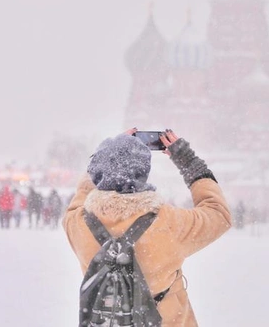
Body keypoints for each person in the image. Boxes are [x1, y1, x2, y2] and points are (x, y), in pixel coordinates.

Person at [62, 129, 232, 326]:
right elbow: (218, 215)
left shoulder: (78, 223)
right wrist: (189, 163)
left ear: (99, 170)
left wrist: (105, 155)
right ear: (142, 172)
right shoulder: (168, 223)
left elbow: (82, 194)